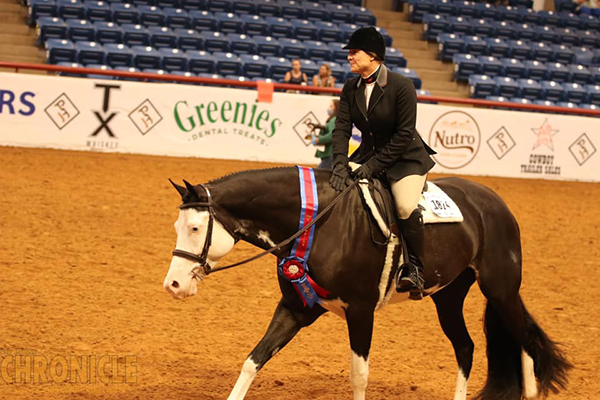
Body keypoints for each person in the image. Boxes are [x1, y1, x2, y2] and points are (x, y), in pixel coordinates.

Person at [328, 27, 437, 299]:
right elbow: (341, 129)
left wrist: (372, 167)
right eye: (350, 53)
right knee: (333, 190)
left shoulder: (401, 86)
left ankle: (415, 270)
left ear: (373, 56)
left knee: (403, 205)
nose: (350, 57)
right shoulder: (350, 87)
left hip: (405, 159)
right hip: (367, 155)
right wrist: (340, 164)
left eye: (355, 53)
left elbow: (403, 135)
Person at [306, 100, 339, 169]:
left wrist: (318, 139)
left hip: (331, 154)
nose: (329, 108)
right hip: (331, 153)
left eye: (331, 106)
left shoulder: (333, 120)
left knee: (318, 175)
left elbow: (332, 135)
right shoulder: (334, 120)